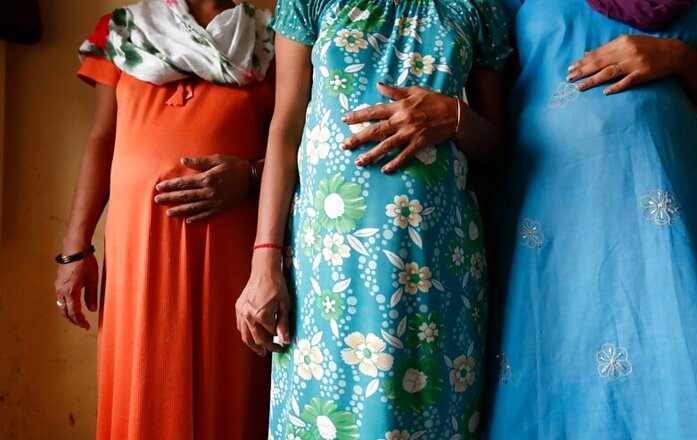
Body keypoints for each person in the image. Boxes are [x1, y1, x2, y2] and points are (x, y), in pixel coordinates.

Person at [233, 0, 510, 437]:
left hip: (436, 265)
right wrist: (264, 261)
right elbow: (285, 129)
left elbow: (498, 146)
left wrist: (454, 117)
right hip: (328, 268)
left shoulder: (477, 6)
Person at [483, 0, 697, 438]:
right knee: (547, 368)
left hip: (667, 201)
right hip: (549, 212)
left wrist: (678, 58)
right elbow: (488, 122)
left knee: (684, 362)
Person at [53, 1, 274, 438]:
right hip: (139, 252)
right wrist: (74, 250)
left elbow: (302, 148)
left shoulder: (272, 40)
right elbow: (102, 140)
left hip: (234, 255)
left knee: (226, 391)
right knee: (142, 381)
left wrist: (252, 175)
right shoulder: (124, 30)